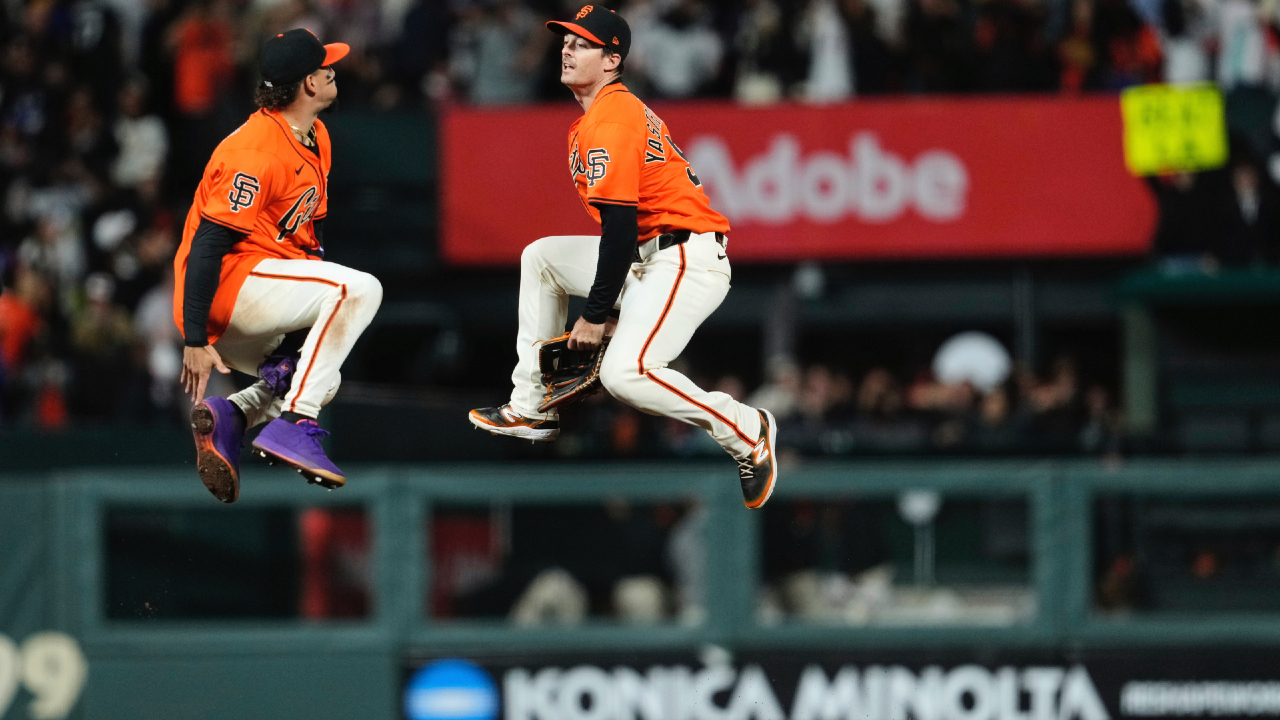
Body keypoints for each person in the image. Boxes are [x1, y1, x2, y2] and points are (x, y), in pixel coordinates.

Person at [468, 6, 778, 509]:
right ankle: (531, 405)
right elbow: (623, 238)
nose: (567, 49)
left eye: (582, 44)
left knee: (625, 375)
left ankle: (746, 429)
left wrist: (595, 316)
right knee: (542, 258)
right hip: (648, 258)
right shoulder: (592, 121)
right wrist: (617, 307)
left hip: (685, 258)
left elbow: (618, 232)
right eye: (566, 41)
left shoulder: (612, 118)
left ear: (612, 60)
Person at [174, 29, 383, 503]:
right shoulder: (254, 151)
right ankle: (296, 423)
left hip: (265, 289)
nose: (333, 70)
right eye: (326, 66)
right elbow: (209, 243)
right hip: (227, 287)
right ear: (309, 83)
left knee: (322, 370)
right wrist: (194, 339)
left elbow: (311, 244)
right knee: (362, 289)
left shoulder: (315, 135)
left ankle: (234, 415)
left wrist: (295, 342)